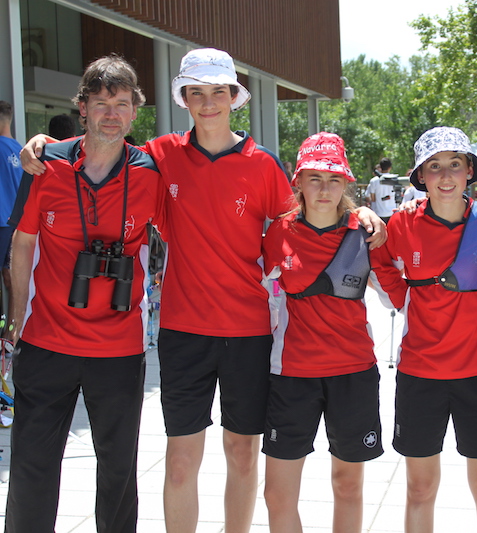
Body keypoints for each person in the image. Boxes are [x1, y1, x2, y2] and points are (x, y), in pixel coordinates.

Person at [19, 47, 386, 533]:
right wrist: (45, 144)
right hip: (181, 330)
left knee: (241, 454)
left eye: (219, 92)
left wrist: (360, 215)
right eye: (197, 93)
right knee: (180, 461)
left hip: (250, 331)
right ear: (184, 99)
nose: (208, 102)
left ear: (235, 98)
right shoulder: (160, 156)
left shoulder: (263, 165)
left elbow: (305, 218)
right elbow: (101, 146)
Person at [5, 55, 162, 533]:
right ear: (82, 108)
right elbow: (23, 241)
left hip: (117, 348)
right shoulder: (46, 163)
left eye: (120, 104)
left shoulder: (152, 173)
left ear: (135, 111)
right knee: (32, 463)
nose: (110, 114)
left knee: (118, 468)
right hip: (47, 340)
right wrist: (15, 319)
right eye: (100, 103)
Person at [372, 127, 477, 533]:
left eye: (455, 164)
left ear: (470, 170)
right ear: (421, 176)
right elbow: (380, 263)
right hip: (420, 374)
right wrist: (403, 298)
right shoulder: (401, 225)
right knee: (419, 489)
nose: (446, 176)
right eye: (434, 167)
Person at [261, 132, 383, 532]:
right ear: (297, 182)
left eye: (333, 179)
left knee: (347, 485)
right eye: (314, 177)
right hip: (292, 374)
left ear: (346, 183)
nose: (324, 188)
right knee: (277, 495)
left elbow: (399, 291)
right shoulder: (278, 233)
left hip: (353, 372)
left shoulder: (366, 232)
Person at [0, 101, 22, 321]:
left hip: (1, 222)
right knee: (13, 278)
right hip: (18, 225)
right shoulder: (22, 149)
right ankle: (11, 333)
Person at [365, 157, 397, 222]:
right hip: (392, 211)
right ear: (389, 168)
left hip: (378, 212)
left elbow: (373, 198)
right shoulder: (395, 179)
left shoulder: (373, 181)